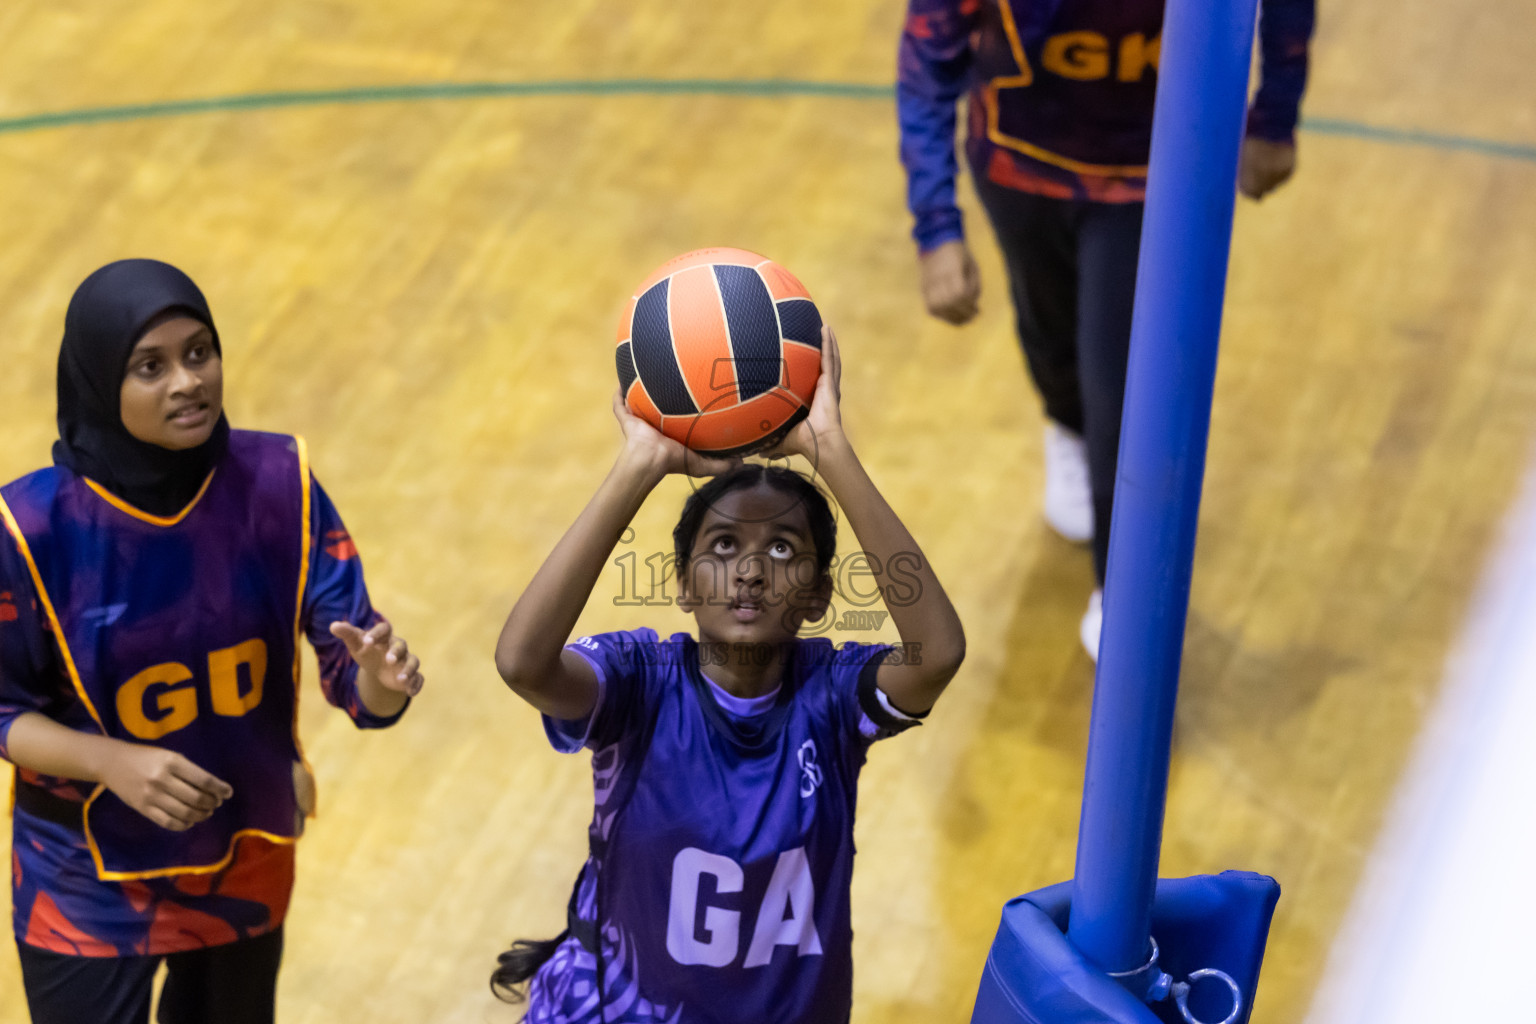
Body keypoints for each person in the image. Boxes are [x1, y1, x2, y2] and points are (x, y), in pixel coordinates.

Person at [490, 327, 965, 1023]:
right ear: (683, 585)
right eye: (722, 546)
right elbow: (522, 662)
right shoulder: (640, 682)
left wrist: (829, 448)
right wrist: (642, 463)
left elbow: (939, 653)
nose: (749, 569)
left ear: (817, 597)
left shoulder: (831, 695)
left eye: (781, 548)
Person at [0, 259, 424, 1024]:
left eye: (200, 352)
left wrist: (380, 683)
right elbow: (3, 710)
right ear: (99, 380)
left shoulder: (278, 482)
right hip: (84, 879)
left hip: (242, 852)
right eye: (149, 366)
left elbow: (347, 661)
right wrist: (111, 762)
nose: (187, 381)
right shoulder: (29, 530)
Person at [897, 0, 1314, 656]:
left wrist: (1277, 114)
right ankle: (1065, 424)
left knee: (1123, 396)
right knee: (1050, 335)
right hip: (1019, 166)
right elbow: (927, 57)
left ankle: (1123, 602)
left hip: (1156, 179)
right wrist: (937, 225)